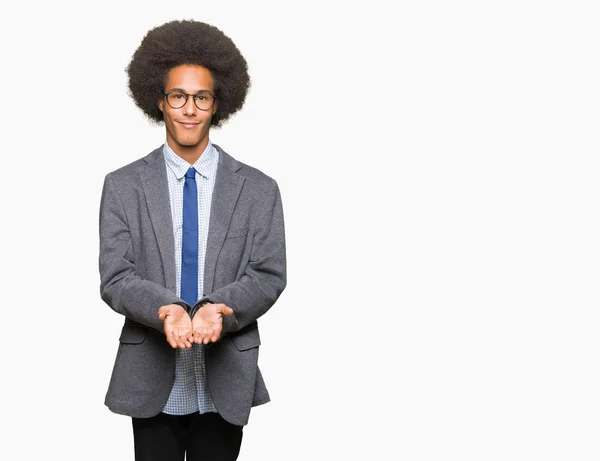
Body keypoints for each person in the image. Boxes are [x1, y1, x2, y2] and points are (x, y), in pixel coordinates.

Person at [98, 19, 286, 461]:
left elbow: (268, 273)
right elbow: (116, 275)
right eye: (178, 96)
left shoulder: (259, 189)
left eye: (201, 97)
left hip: (225, 377)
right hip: (151, 376)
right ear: (158, 101)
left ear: (217, 103)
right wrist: (164, 308)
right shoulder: (123, 186)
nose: (189, 108)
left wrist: (222, 308)